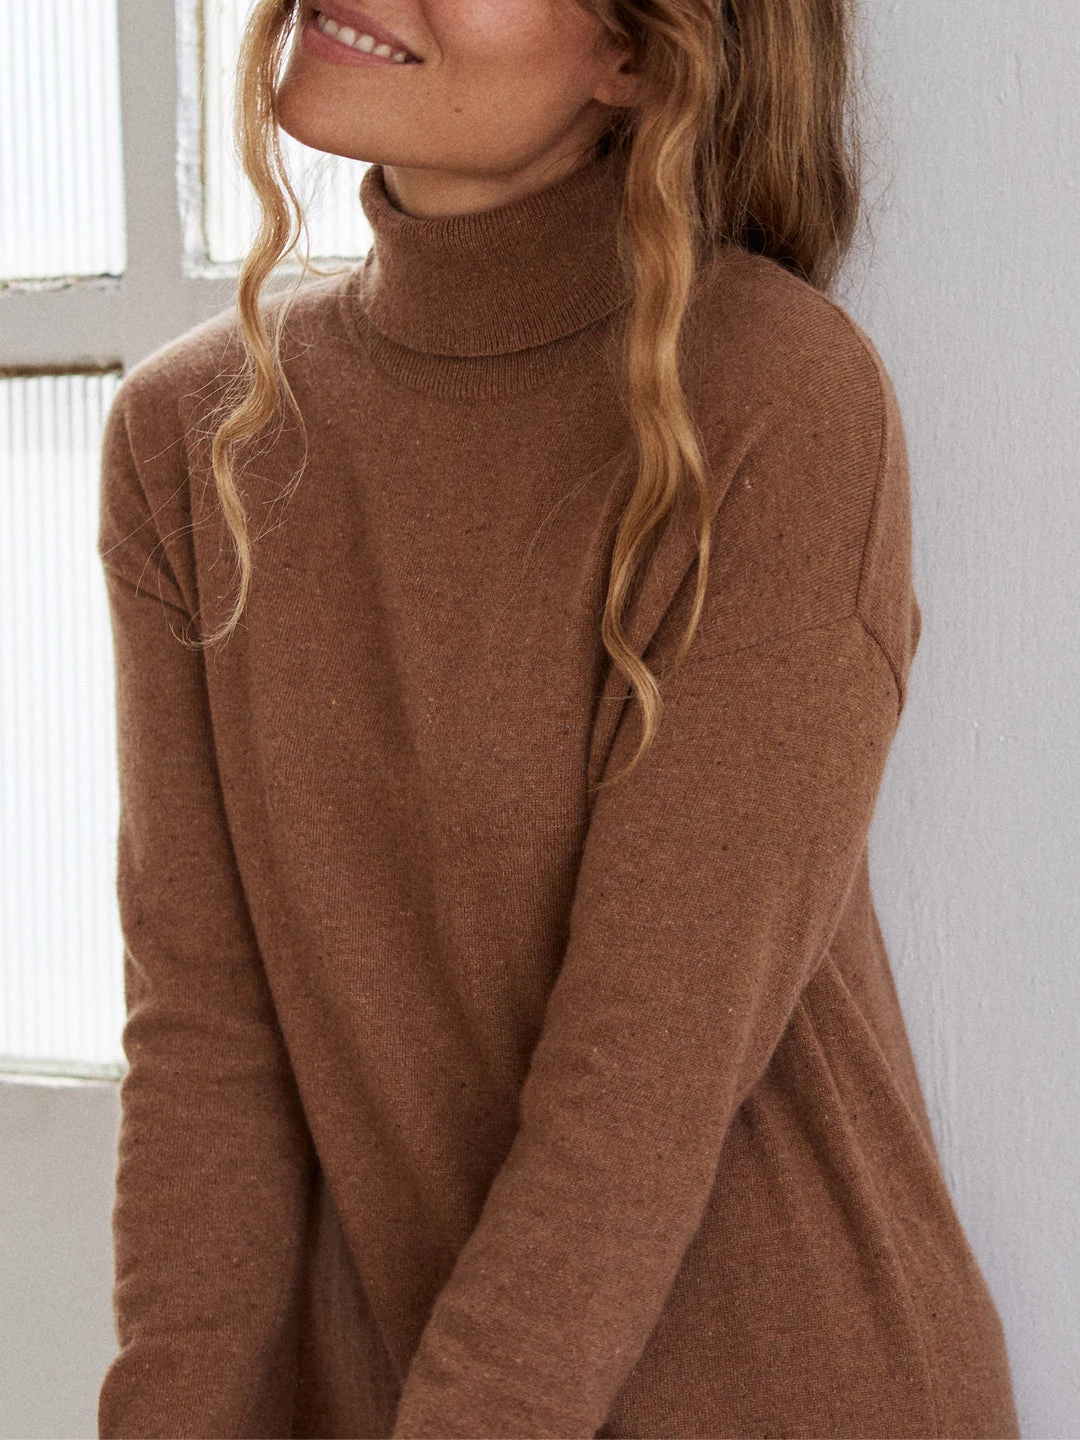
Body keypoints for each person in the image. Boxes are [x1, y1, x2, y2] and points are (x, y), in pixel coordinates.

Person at [95, 1, 1022, 1436]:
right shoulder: (190, 438)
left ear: (636, 55)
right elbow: (207, 1059)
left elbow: (631, 1107)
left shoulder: (772, 397)